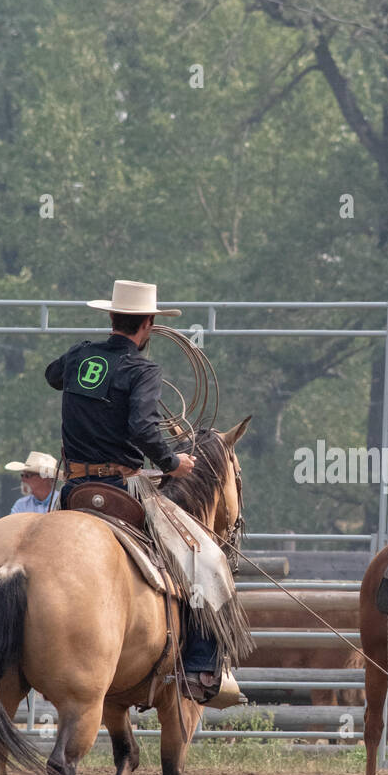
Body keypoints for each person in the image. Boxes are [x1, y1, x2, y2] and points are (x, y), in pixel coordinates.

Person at [44, 279, 246, 704]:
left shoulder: (81, 356)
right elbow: (139, 427)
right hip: (121, 486)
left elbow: (52, 375)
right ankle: (200, 667)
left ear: (111, 318)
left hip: (74, 488)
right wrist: (173, 461)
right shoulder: (143, 370)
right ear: (148, 325)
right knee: (206, 559)